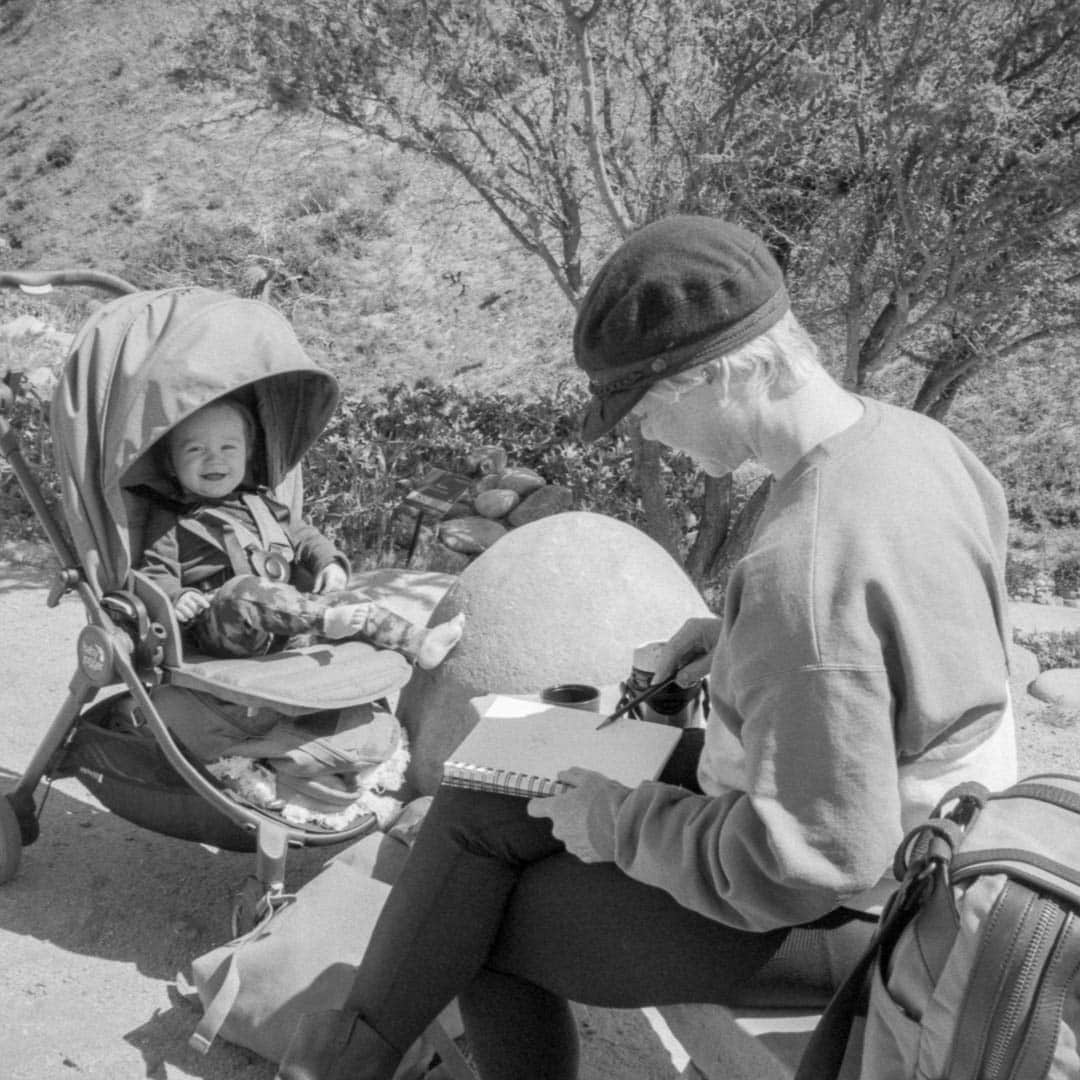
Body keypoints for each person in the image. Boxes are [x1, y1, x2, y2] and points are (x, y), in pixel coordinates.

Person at [276, 216, 1018, 1080]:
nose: (648, 438)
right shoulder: (912, 445)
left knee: (477, 928)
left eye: (645, 409)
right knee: (481, 801)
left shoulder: (805, 572)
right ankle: (352, 1056)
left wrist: (619, 823)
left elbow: (810, 862)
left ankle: (344, 1063)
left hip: (870, 912)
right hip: (923, 833)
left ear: (718, 374)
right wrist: (738, 644)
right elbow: (900, 640)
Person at [139, 397, 464, 669]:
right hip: (223, 629)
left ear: (247, 453)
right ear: (170, 462)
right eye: (195, 449)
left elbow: (306, 537)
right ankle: (326, 619)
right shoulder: (170, 518)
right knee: (242, 591)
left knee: (350, 601)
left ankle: (419, 642)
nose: (214, 458)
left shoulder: (262, 503)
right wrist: (176, 597)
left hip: (290, 625)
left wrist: (329, 563)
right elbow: (154, 571)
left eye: (228, 447)